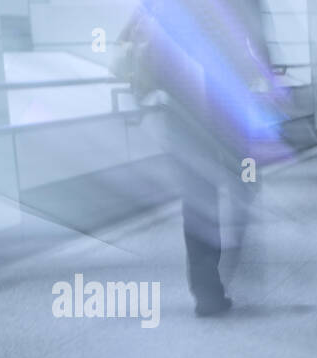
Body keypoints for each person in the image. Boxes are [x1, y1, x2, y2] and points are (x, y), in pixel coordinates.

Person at [118, 0, 282, 317]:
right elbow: (257, 35)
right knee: (240, 181)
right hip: (225, 98)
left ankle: (207, 289)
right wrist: (269, 79)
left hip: (182, 100)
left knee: (198, 194)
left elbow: (138, 28)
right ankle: (229, 262)